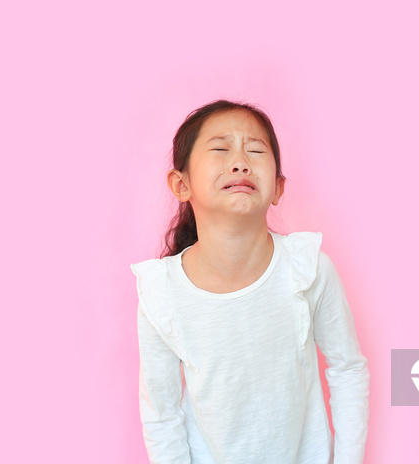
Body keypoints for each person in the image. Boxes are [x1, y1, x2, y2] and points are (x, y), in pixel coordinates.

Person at [130, 99, 369, 463]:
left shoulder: (308, 269)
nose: (240, 161)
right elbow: (161, 414)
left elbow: (348, 368)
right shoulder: (160, 292)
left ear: (277, 187)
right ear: (181, 185)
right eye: (221, 149)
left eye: (255, 150)